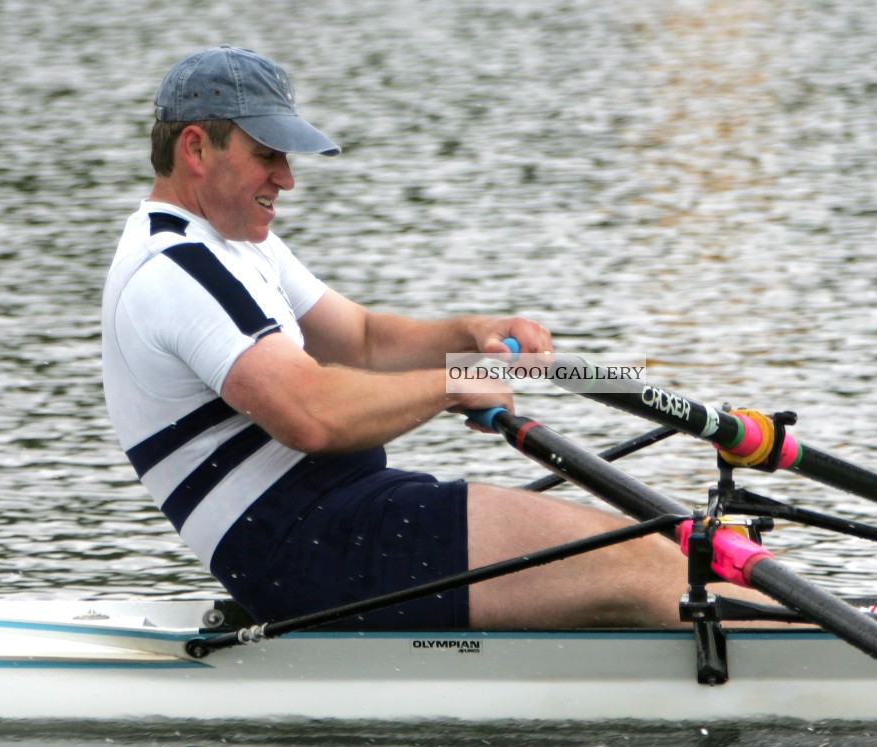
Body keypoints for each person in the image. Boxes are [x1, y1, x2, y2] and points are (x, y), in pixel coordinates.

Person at [102, 45, 774, 629]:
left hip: (342, 521)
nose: (287, 178)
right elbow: (309, 413)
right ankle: (813, 650)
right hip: (313, 548)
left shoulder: (230, 242)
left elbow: (361, 339)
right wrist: (454, 383)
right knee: (643, 565)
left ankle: (763, 625)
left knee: (665, 556)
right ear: (195, 148)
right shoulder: (176, 272)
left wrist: (473, 333)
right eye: (266, 155)